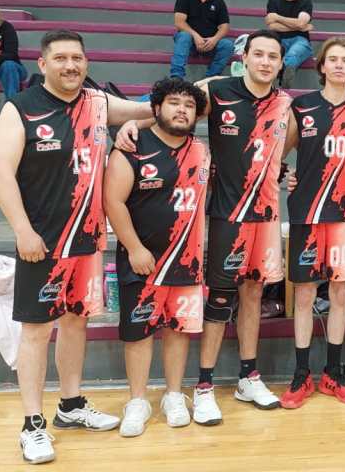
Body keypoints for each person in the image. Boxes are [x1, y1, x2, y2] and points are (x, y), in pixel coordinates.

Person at [114, 30, 294, 425]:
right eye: (258, 54)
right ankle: (205, 386)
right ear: (244, 57)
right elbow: (173, 107)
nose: (265, 62)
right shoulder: (216, 91)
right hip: (224, 215)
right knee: (219, 300)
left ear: (282, 63)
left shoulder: (284, 104)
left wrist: (283, 172)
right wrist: (135, 125)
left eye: (273, 56)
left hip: (264, 217)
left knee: (253, 295)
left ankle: (249, 376)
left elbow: (284, 147)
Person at [0, 30, 153, 464]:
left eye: (77, 58)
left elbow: (145, 110)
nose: (70, 65)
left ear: (86, 63)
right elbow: (1, 173)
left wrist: (139, 120)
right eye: (60, 58)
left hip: (87, 241)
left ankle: (71, 405)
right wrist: (23, 230)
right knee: (37, 332)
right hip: (41, 243)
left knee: (77, 322)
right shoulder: (19, 109)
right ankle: (32, 424)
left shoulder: (98, 103)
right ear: (42, 64)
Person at [105, 77, 210, 437]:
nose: (181, 110)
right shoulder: (131, 148)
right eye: (173, 102)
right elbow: (112, 201)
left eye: (189, 105)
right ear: (156, 108)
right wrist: (134, 247)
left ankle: (173, 395)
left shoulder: (202, 151)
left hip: (186, 259)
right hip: (142, 260)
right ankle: (137, 399)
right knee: (139, 333)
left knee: (178, 330)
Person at [281, 37, 345, 409]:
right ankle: (302, 375)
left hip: (344, 213)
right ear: (320, 66)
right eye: (331, 59)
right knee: (303, 294)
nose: (337, 65)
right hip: (306, 212)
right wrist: (287, 173)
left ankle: (333, 372)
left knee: (339, 294)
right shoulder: (300, 107)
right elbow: (277, 151)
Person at [171, 0, 233, 80]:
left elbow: (224, 27)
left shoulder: (218, 2)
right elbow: (179, 22)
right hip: (190, 43)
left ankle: (209, 79)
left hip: (210, 44)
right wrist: (195, 36)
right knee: (184, 36)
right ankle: (177, 77)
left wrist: (214, 40)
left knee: (227, 45)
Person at [265, 0, 313, 89]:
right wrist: (299, 26)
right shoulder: (273, 2)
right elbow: (272, 27)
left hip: (300, 40)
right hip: (278, 41)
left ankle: (282, 81)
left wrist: (278, 17)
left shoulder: (306, 3)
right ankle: (282, 79)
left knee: (293, 54)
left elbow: (301, 22)